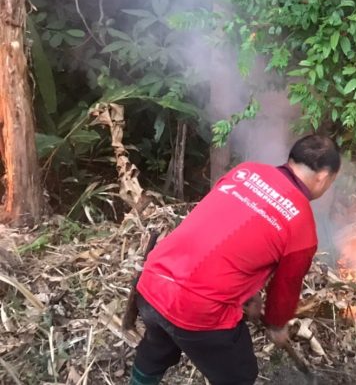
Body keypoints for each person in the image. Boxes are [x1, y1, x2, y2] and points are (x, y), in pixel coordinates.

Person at [129, 135, 340, 385]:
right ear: (323, 177)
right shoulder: (302, 224)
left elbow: (226, 235)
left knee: (157, 348)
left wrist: (249, 294)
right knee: (239, 375)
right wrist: (277, 325)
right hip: (198, 307)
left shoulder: (245, 172)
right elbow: (285, 288)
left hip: (152, 280)